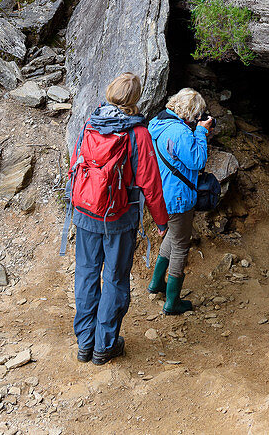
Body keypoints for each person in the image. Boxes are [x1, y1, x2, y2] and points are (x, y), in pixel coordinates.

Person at [68, 73, 168, 365]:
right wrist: (161, 221)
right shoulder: (138, 134)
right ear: (135, 99)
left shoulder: (90, 124)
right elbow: (150, 182)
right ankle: (105, 346)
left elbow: (76, 166)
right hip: (120, 218)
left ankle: (85, 344)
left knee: (86, 274)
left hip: (85, 213)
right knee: (114, 279)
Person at [148, 88, 212, 314]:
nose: (198, 119)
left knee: (173, 236)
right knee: (181, 247)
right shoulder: (180, 132)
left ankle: (156, 284)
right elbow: (197, 160)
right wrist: (201, 133)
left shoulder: (158, 122)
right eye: (197, 115)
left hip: (161, 193)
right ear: (191, 113)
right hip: (178, 197)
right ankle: (172, 302)